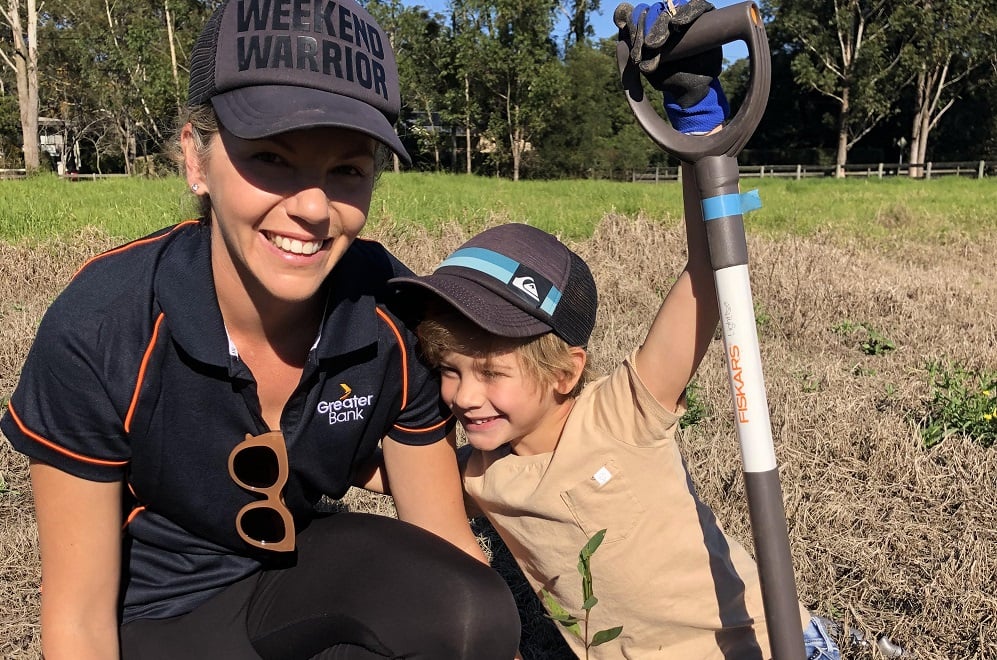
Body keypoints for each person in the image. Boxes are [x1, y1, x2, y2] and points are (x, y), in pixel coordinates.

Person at [0, 0, 520, 658]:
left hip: (291, 579)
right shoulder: (103, 327)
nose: (311, 208)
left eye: (348, 170)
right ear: (196, 158)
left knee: (468, 608)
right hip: (159, 617)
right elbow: (76, 618)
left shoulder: (388, 312)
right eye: (272, 157)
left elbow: (444, 541)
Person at [385, 2, 847, 657]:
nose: (462, 394)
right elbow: (385, 465)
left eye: (490, 370)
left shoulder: (622, 414)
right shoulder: (474, 471)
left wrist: (694, 117)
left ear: (565, 370)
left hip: (765, 643)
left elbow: (702, 274)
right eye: (450, 368)